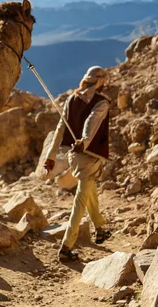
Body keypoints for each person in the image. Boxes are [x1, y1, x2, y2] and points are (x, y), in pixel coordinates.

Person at [44, 66, 112, 262]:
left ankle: (100, 229)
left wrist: (51, 155)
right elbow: (93, 120)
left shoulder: (71, 99)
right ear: (100, 81)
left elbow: (60, 127)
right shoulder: (101, 102)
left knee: (89, 190)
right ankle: (66, 246)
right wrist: (85, 140)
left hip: (74, 155)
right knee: (81, 199)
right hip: (88, 156)